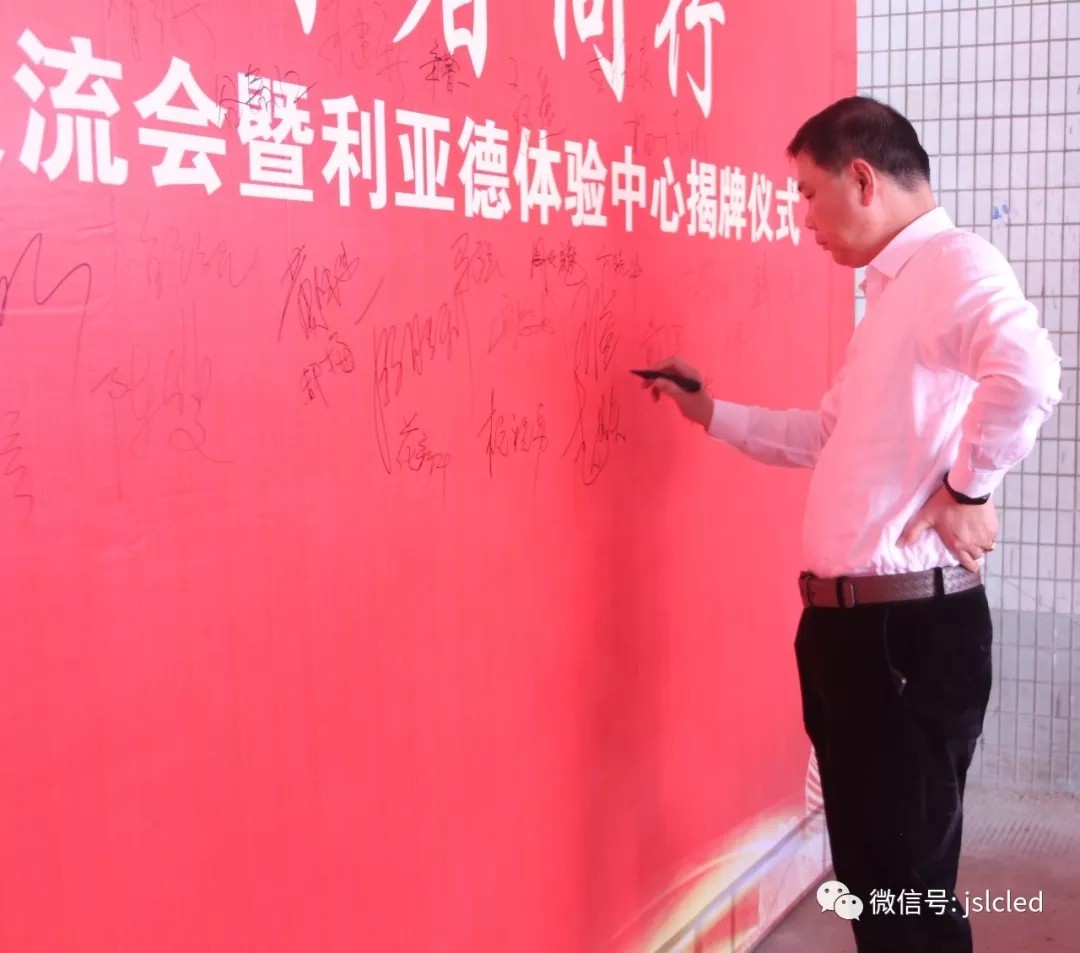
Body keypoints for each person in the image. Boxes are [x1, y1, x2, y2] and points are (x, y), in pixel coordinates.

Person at [645, 96, 1063, 953]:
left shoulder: (953, 264)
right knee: (876, 887)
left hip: (904, 635)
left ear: (863, 179)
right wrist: (711, 412)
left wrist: (969, 490)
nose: (804, 218)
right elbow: (826, 436)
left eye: (809, 192)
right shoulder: (893, 299)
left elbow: (1028, 374)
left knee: (905, 895)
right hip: (854, 633)